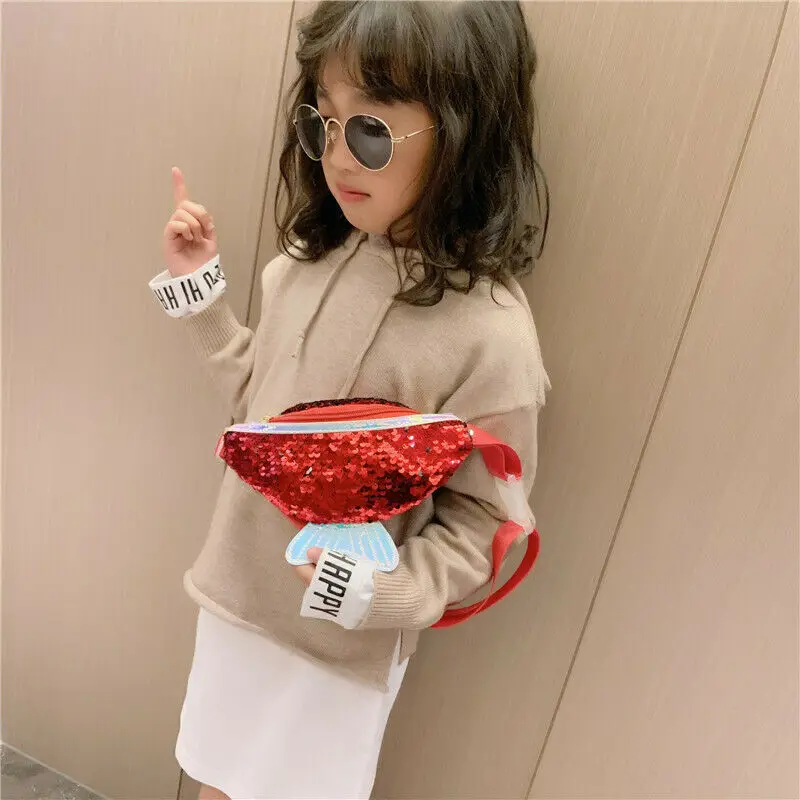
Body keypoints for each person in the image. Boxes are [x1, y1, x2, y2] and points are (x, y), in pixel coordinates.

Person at [149, 2, 551, 798]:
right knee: (213, 777)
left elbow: (488, 523)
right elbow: (260, 424)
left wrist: (381, 591)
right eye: (322, 122)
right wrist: (201, 298)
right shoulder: (304, 263)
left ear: (463, 134)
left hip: (340, 653)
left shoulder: (493, 337)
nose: (336, 157)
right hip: (235, 597)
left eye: (369, 131)